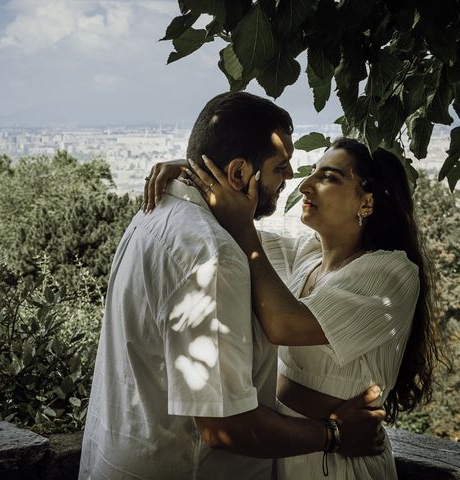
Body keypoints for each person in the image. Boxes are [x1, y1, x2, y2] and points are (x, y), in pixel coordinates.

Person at [79, 93, 386, 480]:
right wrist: (336, 435)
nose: (291, 179)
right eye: (281, 166)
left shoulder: (155, 213)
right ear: (240, 174)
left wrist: (193, 170)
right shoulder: (212, 257)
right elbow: (226, 427)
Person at [145, 137, 443, 478]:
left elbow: (283, 325)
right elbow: (226, 221)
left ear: (368, 201)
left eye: (328, 177)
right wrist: (191, 173)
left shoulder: (391, 273)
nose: (305, 185)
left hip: (341, 465)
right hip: (299, 448)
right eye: (312, 173)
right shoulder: (305, 254)